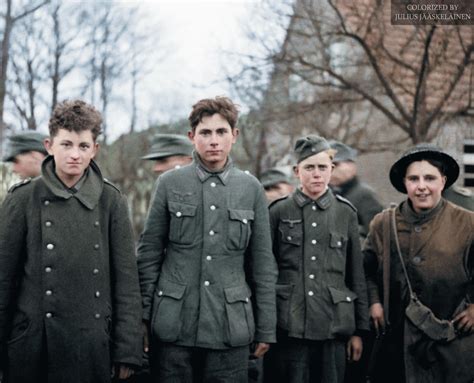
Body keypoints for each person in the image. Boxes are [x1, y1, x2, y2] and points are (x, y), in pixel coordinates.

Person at [0, 100, 142, 382]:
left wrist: (127, 350)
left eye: (83, 146)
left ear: (95, 150)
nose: (74, 155)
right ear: (49, 145)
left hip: (91, 347)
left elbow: (126, 282)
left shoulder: (110, 200)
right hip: (33, 347)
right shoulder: (23, 199)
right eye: (66, 145)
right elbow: (3, 280)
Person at [137, 96, 277, 382]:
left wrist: (266, 327)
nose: (214, 141)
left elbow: (262, 264)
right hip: (174, 327)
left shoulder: (250, 188)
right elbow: (149, 254)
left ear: (234, 136)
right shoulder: (169, 184)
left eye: (221, 132)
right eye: (205, 133)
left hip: (230, 328)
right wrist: (143, 318)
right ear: (192, 137)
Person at [364, 144, 474, 383]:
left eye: (430, 178)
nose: (422, 186)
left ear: (443, 182)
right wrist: (374, 302)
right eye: (413, 179)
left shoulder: (468, 223)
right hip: (396, 343)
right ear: (405, 183)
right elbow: (367, 271)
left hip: (450, 342)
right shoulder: (384, 224)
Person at [265, 135, 369, 383]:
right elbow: (265, 270)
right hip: (288, 324)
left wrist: (359, 331)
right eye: (309, 167)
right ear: (296, 171)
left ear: (331, 170)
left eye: (322, 167)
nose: (316, 174)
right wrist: (264, 328)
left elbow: (356, 274)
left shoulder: (345, 212)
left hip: (332, 325)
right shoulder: (278, 211)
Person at [329, 141, 383, 238]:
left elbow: (379, 236)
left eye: (335, 164)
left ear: (351, 165)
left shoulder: (364, 195)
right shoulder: (329, 195)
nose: (331, 171)